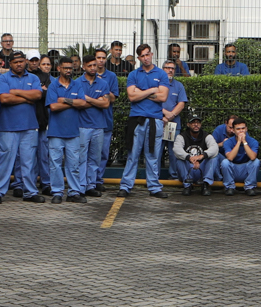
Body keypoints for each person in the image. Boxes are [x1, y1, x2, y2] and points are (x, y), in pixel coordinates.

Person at [0, 51, 44, 203]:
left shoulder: (33, 78)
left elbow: (38, 96)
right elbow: (4, 98)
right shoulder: (3, 78)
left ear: (25, 61)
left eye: (21, 61)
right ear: (9, 64)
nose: (19, 64)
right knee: (4, 160)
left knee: (28, 161)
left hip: (29, 126)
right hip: (7, 127)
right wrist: (27, 98)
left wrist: (16, 92)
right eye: (15, 62)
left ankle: (30, 192)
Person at [120, 45, 170, 197]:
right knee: (132, 154)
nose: (146, 58)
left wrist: (140, 93)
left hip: (155, 120)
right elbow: (131, 97)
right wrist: (152, 90)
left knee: (153, 155)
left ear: (152, 54)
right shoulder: (133, 74)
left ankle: (154, 187)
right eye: (142, 56)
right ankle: (126, 186)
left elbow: (163, 97)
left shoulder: (161, 74)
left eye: (148, 54)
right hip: (136, 120)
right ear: (139, 58)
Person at [44, 56, 89, 204]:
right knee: (55, 164)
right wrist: (73, 103)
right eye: (65, 68)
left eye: (70, 68)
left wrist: (64, 100)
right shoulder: (53, 86)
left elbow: (83, 103)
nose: (69, 70)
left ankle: (74, 192)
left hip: (73, 132)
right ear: (59, 68)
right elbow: (53, 107)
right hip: (56, 132)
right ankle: (57, 192)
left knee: (74, 164)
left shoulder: (77, 85)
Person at [82, 49, 119, 196]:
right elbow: (78, 102)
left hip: (103, 122)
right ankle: (82, 184)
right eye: (97, 59)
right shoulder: (79, 82)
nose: (99, 62)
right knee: (83, 157)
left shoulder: (107, 80)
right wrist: (99, 100)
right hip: (83, 124)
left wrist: (90, 99)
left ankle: (95, 182)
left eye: (103, 58)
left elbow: (108, 101)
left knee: (99, 156)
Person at [219, 117, 261, 194]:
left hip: (246, 169)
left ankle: (249, 187)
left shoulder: (253, 141)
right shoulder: (228, 142)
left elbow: (252, 157)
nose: (241, 131)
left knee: (256, 162)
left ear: (246, 129)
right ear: (234, 130)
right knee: (225, 162)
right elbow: (230, 158)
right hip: (233, 169)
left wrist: (244, 142)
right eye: (238, 129)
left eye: (243, 128)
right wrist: (238, 142)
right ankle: (229, 187)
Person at [176, 114, 216, 193]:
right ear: (188, 124)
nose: (196, 125)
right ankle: (187, 186)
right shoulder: (181, 136)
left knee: (214, 157)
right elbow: (177, 149)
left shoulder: (206, 136)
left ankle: (205, 184)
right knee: (179, 159)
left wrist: (201, 156)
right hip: (188, 168)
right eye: (193, 122)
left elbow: (214, 148)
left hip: (201, 167)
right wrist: (189, 158)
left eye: (198, 122)